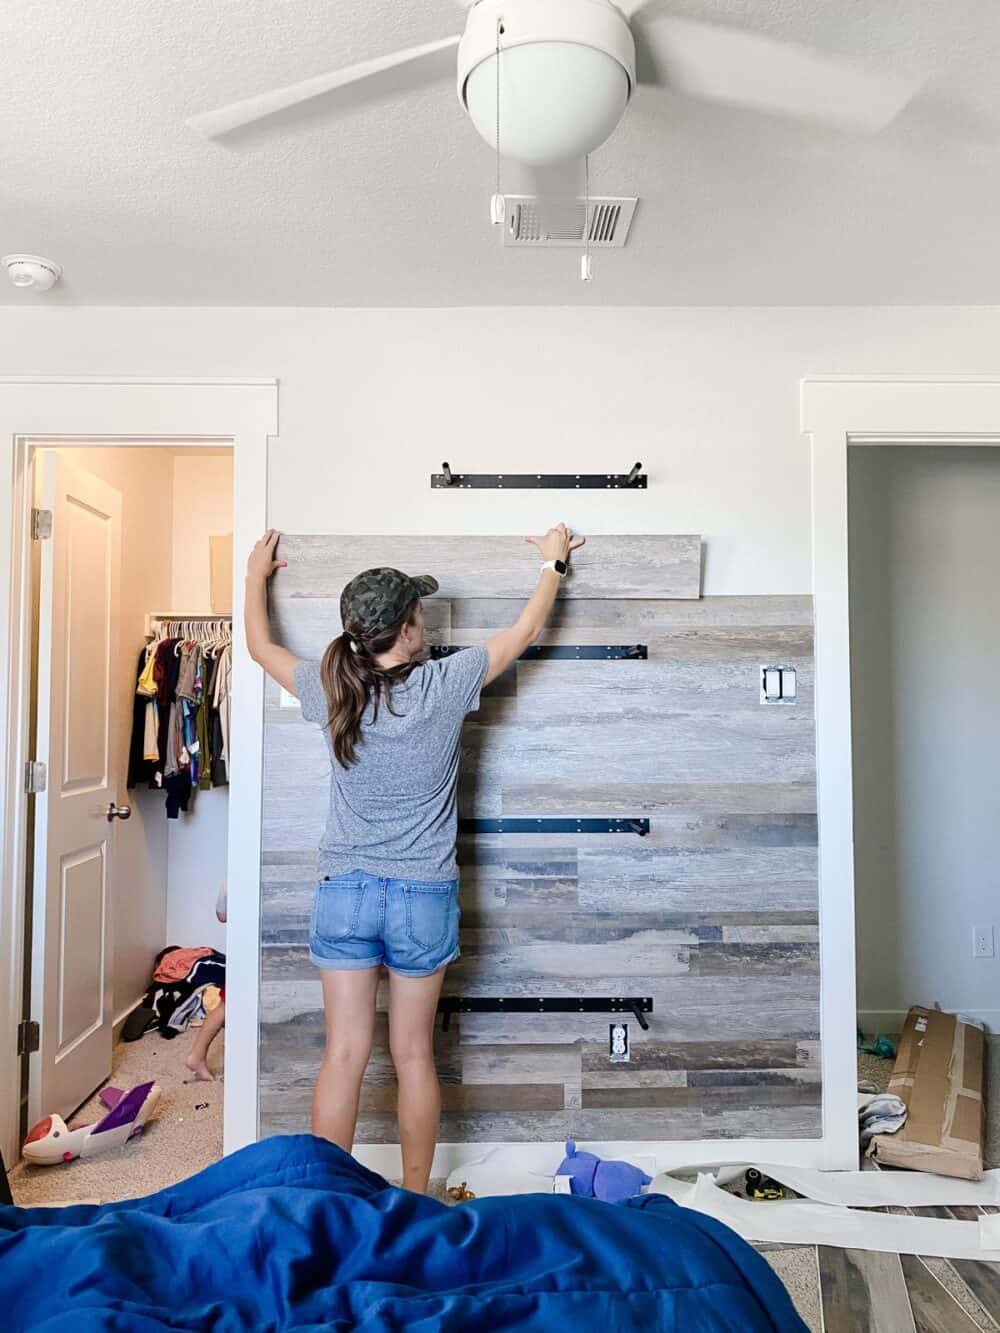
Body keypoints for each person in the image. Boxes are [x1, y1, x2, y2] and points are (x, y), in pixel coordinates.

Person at [244, 523, 585, 1193]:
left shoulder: (330, 685)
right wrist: (553, 566)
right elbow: (524, 633)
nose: (425, 620)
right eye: (418, 612)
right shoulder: (445, 683)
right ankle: (414, 1196)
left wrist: (255, 574)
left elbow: (258, 644)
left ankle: (323, 1204)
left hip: (344, 891)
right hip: (420, 899)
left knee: (342, 1055)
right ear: (403, 630)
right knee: (413, 1055)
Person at [184, 886, 227, 1083]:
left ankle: (197, 1055)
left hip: (243, 950)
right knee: (230, 1007)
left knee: (226, 1007)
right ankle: (197, 1055)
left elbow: (222, 916)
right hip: (250, 953)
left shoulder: (230, 880)